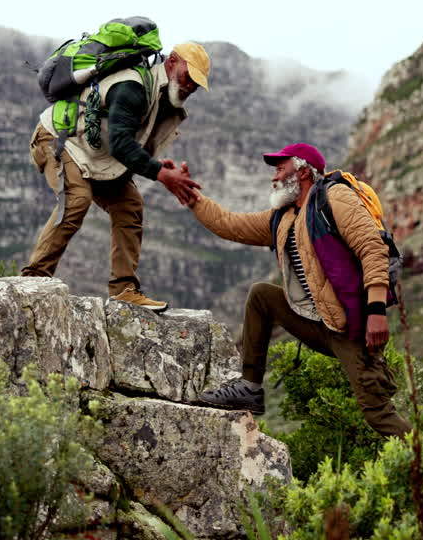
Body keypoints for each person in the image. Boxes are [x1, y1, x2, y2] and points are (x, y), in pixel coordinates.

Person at [175, 143, 410, 436]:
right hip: (316, 322)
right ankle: (249, 387)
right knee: (262, 295)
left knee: (377, 413)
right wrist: (191, 197)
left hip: (352, 326)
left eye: (280, 168)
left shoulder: (335, 197)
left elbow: (372, 248)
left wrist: (376, 311)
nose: (274, 176)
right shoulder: (284, 217)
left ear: (301, 172)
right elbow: (230, 224)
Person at [19, 42, 208, 312]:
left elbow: (127, 138)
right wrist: (162, 174)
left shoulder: (161, 96)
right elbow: (120, 143)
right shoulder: (133, 86)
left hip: (94, 154)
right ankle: (33, 281)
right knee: (77, 199)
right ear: (172, 62)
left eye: (197, 84)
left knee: (129, 206)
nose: (191, 86)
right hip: (60, 139)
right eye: (189, 77)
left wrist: (157, 165)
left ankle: (124, 290)